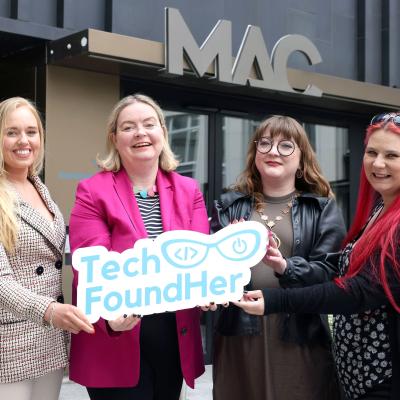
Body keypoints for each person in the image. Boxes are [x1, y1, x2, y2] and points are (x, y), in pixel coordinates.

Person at [234, 112, 400, 400]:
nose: (378, 163)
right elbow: (343, 264)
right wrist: (284, 266)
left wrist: (276, 300)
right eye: (372, 152)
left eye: (392, 155)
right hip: (358, 379)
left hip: (384, 379)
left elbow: (357, 292)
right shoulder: (379, 211)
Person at [68, 93, 209, 400]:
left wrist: (209, 290)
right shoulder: (93, 191)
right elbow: (91, 265)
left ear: (163, 132)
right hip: (116, 337)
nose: (141, 133)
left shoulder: (189, 190)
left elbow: (200, 258)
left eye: (149, 124)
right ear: (115, 138)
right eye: (129, 127)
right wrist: (110, 313)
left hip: (174, 338)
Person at [210, 115, 346, 400]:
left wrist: (285, 267)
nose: (273, 151)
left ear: (301, 162)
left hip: (298, 332)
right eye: (266, 143)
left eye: (286, 146)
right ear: (255, 153)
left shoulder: (322, 209)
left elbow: (330, 271)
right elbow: (211, 269)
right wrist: (227, 256)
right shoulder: (228, 205)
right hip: (240, 329)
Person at [0, 97, 94, 400]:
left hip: (48, 340)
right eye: (12, 132)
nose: (24, 140)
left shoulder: (40, 188)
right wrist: (50, 310)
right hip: (9, 344)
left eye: (31, 131)